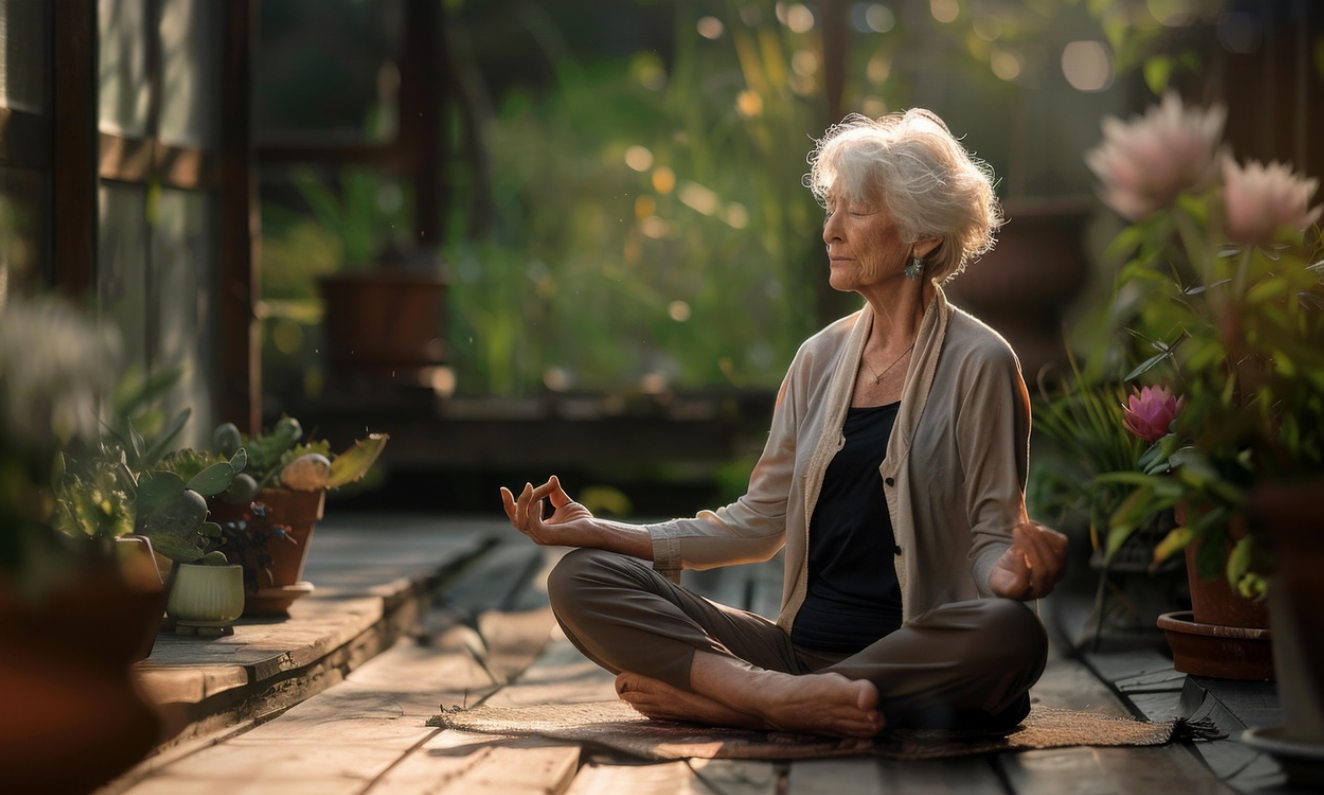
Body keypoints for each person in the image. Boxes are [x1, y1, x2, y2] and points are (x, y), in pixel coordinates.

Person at [500, 109, 1068, 739]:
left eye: (855, 212)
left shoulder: (981, 363)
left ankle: (745, 702)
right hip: (794, 655)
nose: (830, 231)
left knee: (1011, 633)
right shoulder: (817, 359)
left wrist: (1014, 572)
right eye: (832, 210)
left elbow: (993, 535)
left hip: (912, 655)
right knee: (582, 578)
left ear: (923, 237)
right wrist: (602, 532)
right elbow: (758, 523)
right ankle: (775, 697)